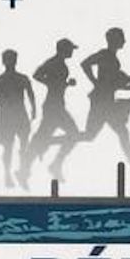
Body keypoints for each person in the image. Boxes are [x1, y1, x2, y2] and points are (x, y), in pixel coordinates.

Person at [54, 27, 130, 182]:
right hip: (101, 102)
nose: (124, 41)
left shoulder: (112, 58)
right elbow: (85, 64)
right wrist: (95, 82)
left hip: (106, 102)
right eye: (121, 38)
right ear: (115, 40)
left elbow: (112, 82)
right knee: (96, 135)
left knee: (95, 135)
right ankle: (49, 142)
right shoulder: (105, 55)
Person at [24, 39, 80, 178]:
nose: (72, 51)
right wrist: (50, 83)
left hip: (56, 104)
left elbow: (57, 83)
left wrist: (66, 84)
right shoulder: (53, 62)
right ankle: (51, 162)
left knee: (44, 135)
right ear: (63, 49)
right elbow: (37, 75)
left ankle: (29, 166)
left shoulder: (60, 63)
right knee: (73, 134)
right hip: (53, 106)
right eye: (70, 49)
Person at [0, 48, 35, 188]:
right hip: (7, 117)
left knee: (23, 145)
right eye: (9, 59)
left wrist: (34, 109)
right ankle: (7, 174)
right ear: (4, 61)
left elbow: (31, 94)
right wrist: (8, 99)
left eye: (13, 59)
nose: (11, 62)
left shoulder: (22, 78)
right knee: (8, 147)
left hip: (20, 115)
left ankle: (21, 172)